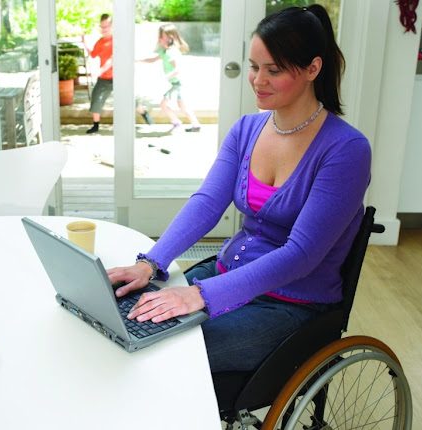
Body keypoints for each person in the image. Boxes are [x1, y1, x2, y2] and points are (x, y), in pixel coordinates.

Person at [107, 5, 372, 374]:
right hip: (225, 275)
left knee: (167, 352)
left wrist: (199, 295)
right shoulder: (247, 129)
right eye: (254, 66)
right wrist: (151, 263)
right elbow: (207, 204)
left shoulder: (346, 150)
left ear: (313, 68)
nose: (257, 80)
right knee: (122, 318)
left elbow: (301, 255)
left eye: (274, 70)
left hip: (291, 305)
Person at [138, 23, 201, 134]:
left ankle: (177, 123)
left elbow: (177, 69)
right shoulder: (164, 52)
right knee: (182, 105)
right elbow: (152, 60)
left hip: (178, 84)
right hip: (175, 83)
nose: (159, 39)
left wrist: (165, 77)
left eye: (162, 36)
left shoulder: (172, 52)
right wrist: (138, 60)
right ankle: (196, 124)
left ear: (170, 37)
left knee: (164, 104)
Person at [82, 13, 113, 134]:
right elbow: (93, 54)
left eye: (107, 26)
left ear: (112, 26)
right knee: (95, 99)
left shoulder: (116, 40)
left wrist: (100, 70)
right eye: (102, 26)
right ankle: (96, 125)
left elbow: (112, 59)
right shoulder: (100, 42)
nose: (104, 29)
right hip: (104, 78)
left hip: (119, 77)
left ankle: (145, 115)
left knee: (131, 100)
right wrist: (84, 42)